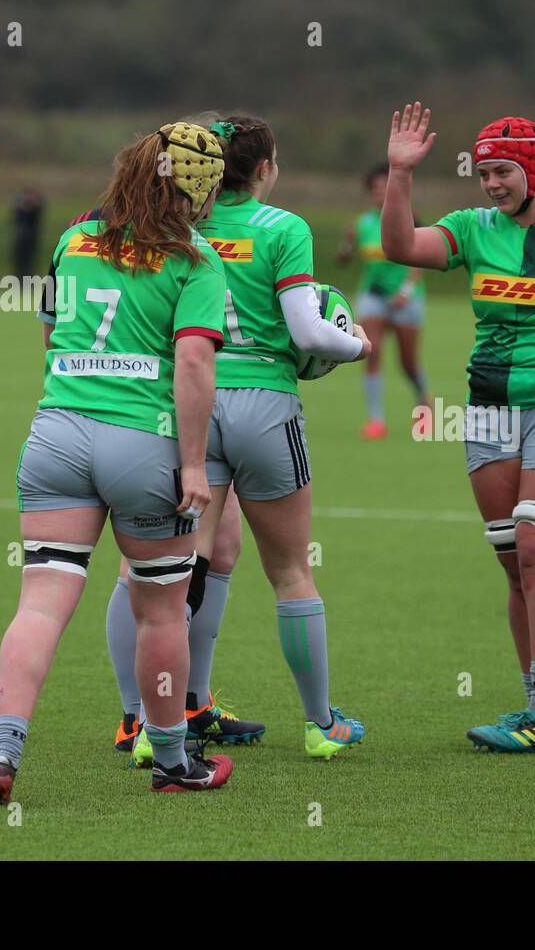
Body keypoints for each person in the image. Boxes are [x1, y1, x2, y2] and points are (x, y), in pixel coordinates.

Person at [0, 122, 233, 802]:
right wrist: (198, 465)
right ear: (202, 190)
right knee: (161, 613)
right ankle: (175, 763)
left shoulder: (72, 238)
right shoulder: (198, 259)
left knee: (39, 605)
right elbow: (195, 364)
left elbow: (52, 333)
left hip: (55, 434)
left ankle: (2, 756)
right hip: (144, 445)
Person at [107, 114, 373, 766]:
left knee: (161, 569)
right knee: (290, 572)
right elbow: (309, 335)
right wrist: (358, 344)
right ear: (263, 169)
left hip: (188, 406)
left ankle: (144, 723)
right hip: (266, 407)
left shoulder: (174, 227)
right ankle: (319, 724)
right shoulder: (283, 228)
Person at [383, 102, 535, 753]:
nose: (490, 185)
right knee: (515, 563)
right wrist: (400, 173)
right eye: (483, 174)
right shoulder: (473, 229)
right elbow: (399, 247)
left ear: (534, 170)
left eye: (502, 171)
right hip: (486, 409)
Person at [339, 163, 430, 439]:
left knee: (408, 362)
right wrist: (345, 249)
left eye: (385, 188)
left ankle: (423, 399)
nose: (380, 193)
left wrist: (405, 290)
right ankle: (376, 420)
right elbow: (345, 254)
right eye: (376, 189)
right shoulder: (362, 223)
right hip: (373, 295)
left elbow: (421, 259)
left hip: (406, 298)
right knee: (371, 350)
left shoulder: (409, 218)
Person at [11, 186, 44, 280]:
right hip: (20, 238)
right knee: (19, 260)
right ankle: (19, 279)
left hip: (30, 238)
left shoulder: (36, 209)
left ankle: (29, 279)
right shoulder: (20, 208)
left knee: (30, 261)